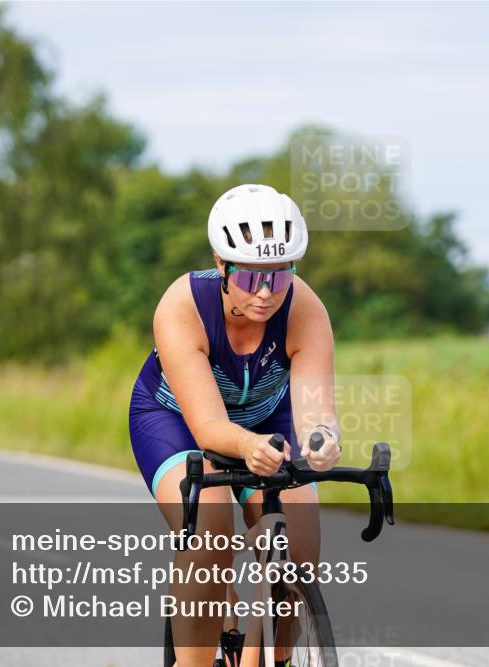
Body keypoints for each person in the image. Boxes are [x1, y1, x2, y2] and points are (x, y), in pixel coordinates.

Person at [129, 183, 342, 667]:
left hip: (268, 420)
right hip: (177, 420)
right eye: (250, 277)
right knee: (210, 529)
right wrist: (248, 445)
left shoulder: (305, 308)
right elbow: (208, 428)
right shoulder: (182, 305)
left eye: (280, 275)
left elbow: (316, 413)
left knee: (299, 545)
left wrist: (323, 441)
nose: (266, 293)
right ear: (221, 265)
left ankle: (271, 660)